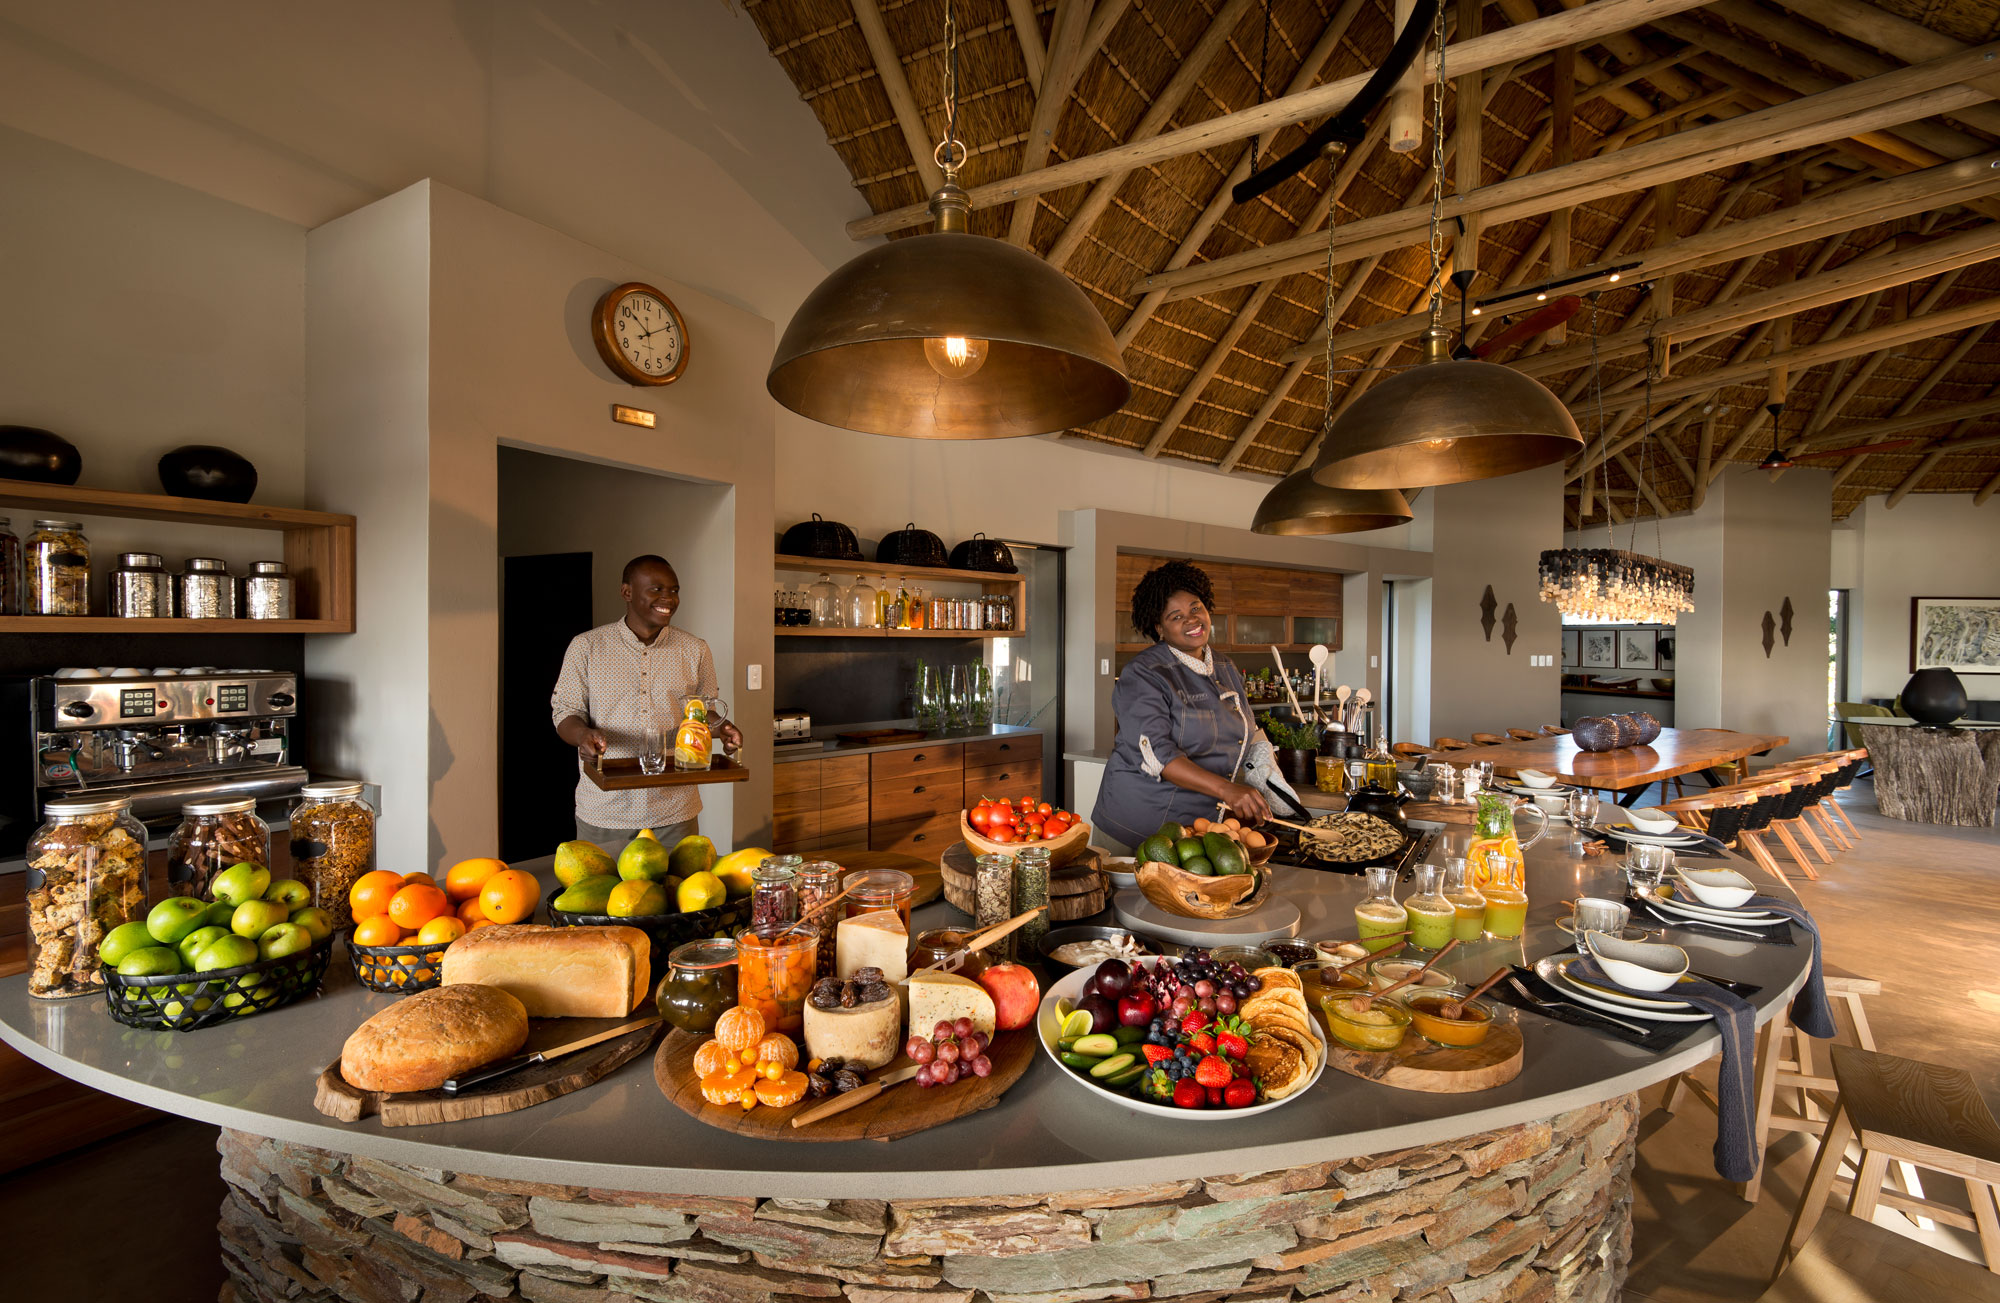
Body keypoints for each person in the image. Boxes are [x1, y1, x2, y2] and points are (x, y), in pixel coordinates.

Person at [1091, 560, 1301, 851]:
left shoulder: (1225, 666)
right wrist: (1227, 789)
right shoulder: (1143, 674)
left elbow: (1249, 730)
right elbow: (1158, 755)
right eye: (1176, 616)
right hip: (1138, 825)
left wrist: (1268, 775)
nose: (1191, 620)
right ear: (1159, 628)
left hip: (1196, 826)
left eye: (1195, 608)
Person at [552, 555, 742, 849]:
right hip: (605, 811)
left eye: (674, 590)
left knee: (682, 881)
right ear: (627, 592)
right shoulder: (586, 647)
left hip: (675, 811)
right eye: (657, 589)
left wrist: (723, 728)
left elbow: (703, 713)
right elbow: (566, 712)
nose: (669, 598)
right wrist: (583, 735)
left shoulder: (696, 650)